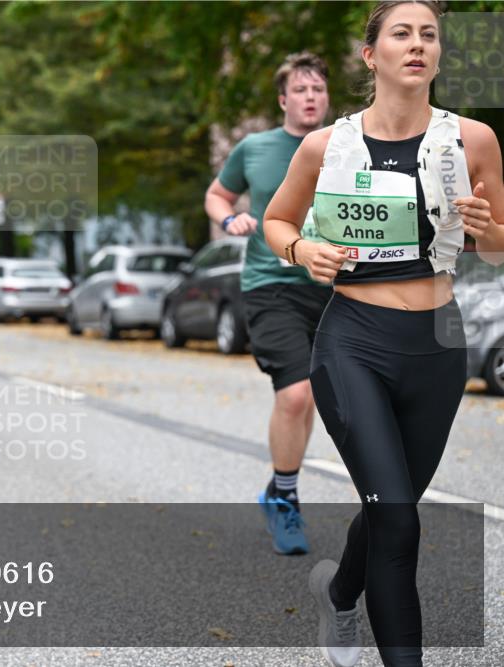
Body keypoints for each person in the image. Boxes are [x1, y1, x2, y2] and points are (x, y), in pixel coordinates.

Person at [264, 3, 503, 665]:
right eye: (402, 33)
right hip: (353, 341)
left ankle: (339, 594)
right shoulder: (326, 145)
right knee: (399, 519)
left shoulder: (473, 141)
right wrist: (301, 251)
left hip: (438, 343)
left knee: (388, 506)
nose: (418, 44)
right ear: (371, 56)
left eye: (429, 34)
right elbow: (277, 221)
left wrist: (486, 231)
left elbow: (501, 243)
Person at [205, 51, 331, 555]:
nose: (309, 97)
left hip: (329, 288)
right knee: (295, 394)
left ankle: (280, 487)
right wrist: (227, 219)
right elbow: (218, 194)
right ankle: (285, 497)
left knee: (314, 396)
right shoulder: (254, 148)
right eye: (300, 90)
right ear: (284, 99)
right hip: (268, 284)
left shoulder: (344, 146)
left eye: (318, 90)